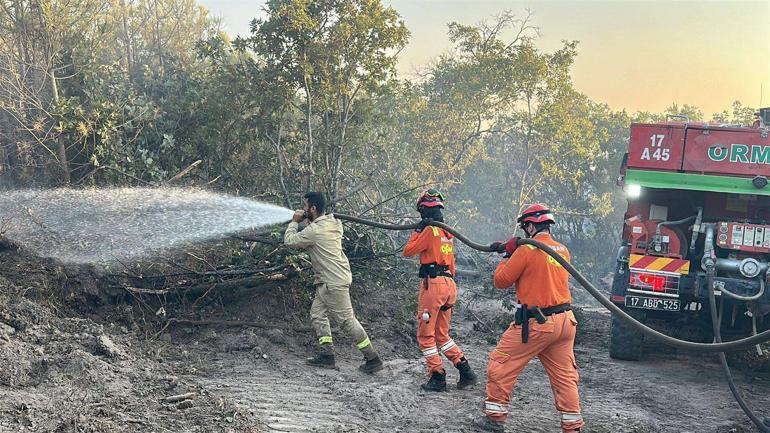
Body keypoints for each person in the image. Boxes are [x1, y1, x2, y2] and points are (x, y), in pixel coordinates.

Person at [474, 204, 584, 433]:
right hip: (565, 323)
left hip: (538, 323)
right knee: (565, 377)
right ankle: (573, 427)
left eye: (526, 228)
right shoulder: (562, 250)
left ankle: (494, 420)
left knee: (500, 363)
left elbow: (501, 281)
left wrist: (508, 255)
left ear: (531, 226)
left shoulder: (527, 249)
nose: (525, 233)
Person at [284, 192, 384, 374]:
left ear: (313, 209)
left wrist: (294, 222)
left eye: (305, 206)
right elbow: (316, 232)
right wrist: (308, 221)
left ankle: (373, 358)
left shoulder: (314, 231)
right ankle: (326, 355)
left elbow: (290, 241)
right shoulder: (334, 224)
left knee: (347, 322)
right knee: (317, 314)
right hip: (327, 281)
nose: (303, 209)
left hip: (333, 283)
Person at [403, 189, 478, 392]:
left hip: (433, 286)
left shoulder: (430, 231)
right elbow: (452, 263)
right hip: (449, 285)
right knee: (442, 335)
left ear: (423, 211)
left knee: (426, 335)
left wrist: (418, 231)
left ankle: (437, 376)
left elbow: (408, 251)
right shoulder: (447, 232)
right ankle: (465, 370)